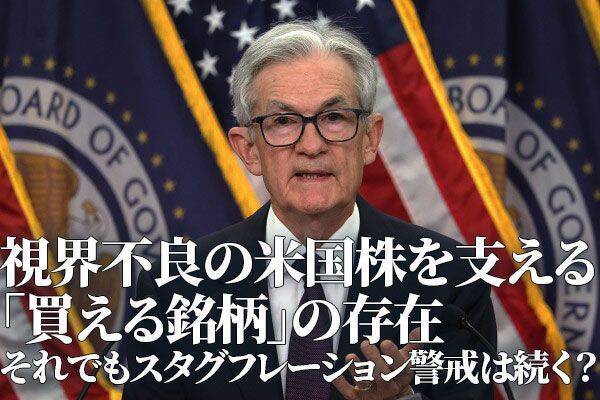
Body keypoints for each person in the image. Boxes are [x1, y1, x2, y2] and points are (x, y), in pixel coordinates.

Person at [123, 20, 496, 400]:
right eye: (283, 122)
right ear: (249, 150)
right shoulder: (175, 289)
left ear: (370, 139)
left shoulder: (449, 280)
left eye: (334, 118)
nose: (312, 145)